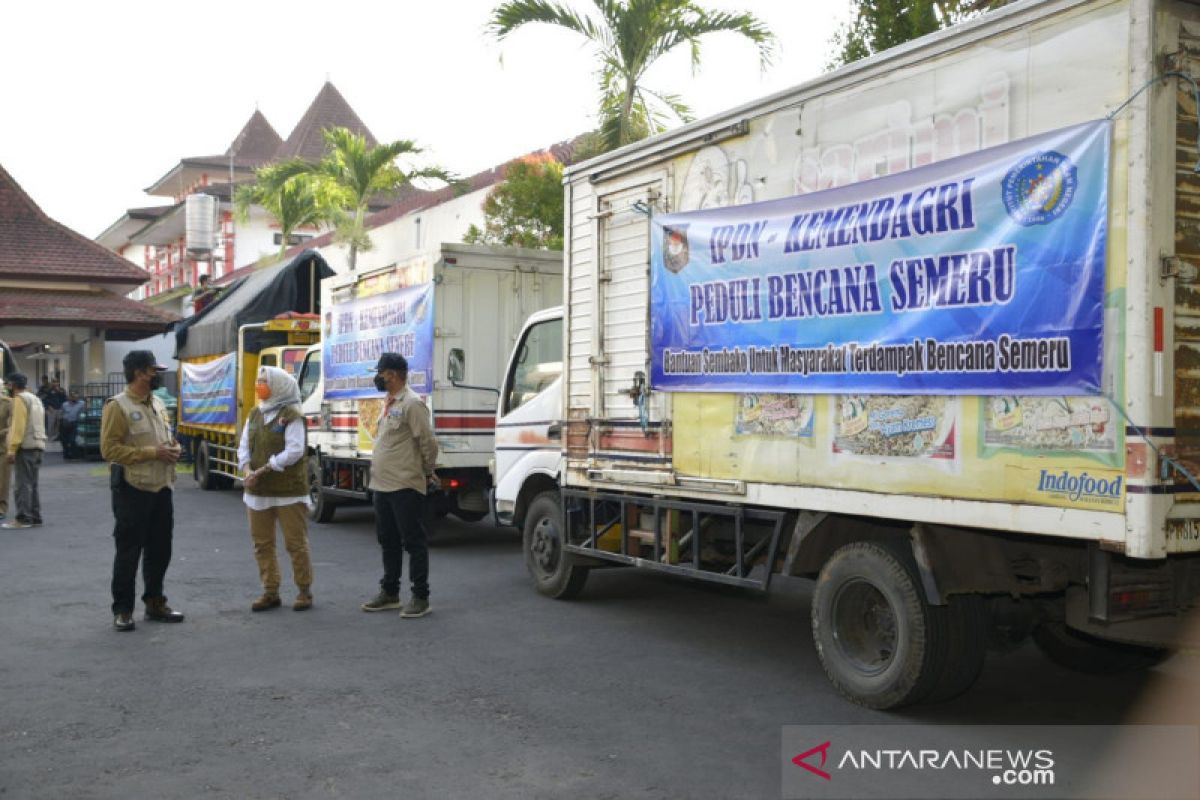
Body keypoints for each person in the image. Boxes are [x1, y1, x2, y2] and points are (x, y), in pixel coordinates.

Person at [100, 351, 184, 632]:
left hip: (162, 486)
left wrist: (174, 448)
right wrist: (152, 452)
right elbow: (109, 449)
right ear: (138, 372)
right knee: (128, 551)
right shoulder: (118, 406)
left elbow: (167, 437)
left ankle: (155, 601)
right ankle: (122, 609)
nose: (158, 374)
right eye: (153, 370)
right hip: (133, 489)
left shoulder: (158, 403)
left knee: (160, 549)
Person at [361, 353, 438, 618]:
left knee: (413, 541)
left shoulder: (412, 404)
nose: (378, 378)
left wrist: (427, 471)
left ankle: (420, 597)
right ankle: (390, 592)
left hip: (405, 484)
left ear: (391, 375)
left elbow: (428, 442)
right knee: (388, 541)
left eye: (380, 373)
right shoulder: (389, 402)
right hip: (382, 485)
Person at [237, 366, 314, 612]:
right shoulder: (255, 413)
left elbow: (294, 450)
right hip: (258, 492)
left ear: (278, 386)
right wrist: (247, 469)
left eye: (263, 382)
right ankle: (270, 591)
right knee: (262, 543)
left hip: (288, 490)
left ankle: (304, 590)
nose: (259, 385)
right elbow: (244, 447)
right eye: (258, 381)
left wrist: (265, 469)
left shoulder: (291, 414)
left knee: (295, 543)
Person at [3, 373, 46, 529]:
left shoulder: (19, 400)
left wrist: (12, 449)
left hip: (25, 447)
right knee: (32, 484)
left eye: (8, 385)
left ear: (13, 385)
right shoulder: (35, 399)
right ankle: (35, 516)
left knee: (22, 484)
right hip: (38, 444)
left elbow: (18, 426)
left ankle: (23, 518)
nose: (7, 387)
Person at [60, 390, 85, 459]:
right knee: (64, 441)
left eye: (76, 396)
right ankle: (66, 454)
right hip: (65, 423)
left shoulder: (82, 403)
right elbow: (61, 413)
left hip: (75, 423)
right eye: (72, 396)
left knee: (72, 440)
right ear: (69, 397)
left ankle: (75, 454)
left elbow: (85, 410)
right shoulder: (65, 404)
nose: (74, 398)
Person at [0, 382, 11, 522]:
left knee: (3, 480)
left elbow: (13, 425)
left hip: (2, 447)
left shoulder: (8, 403)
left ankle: (1, 508)